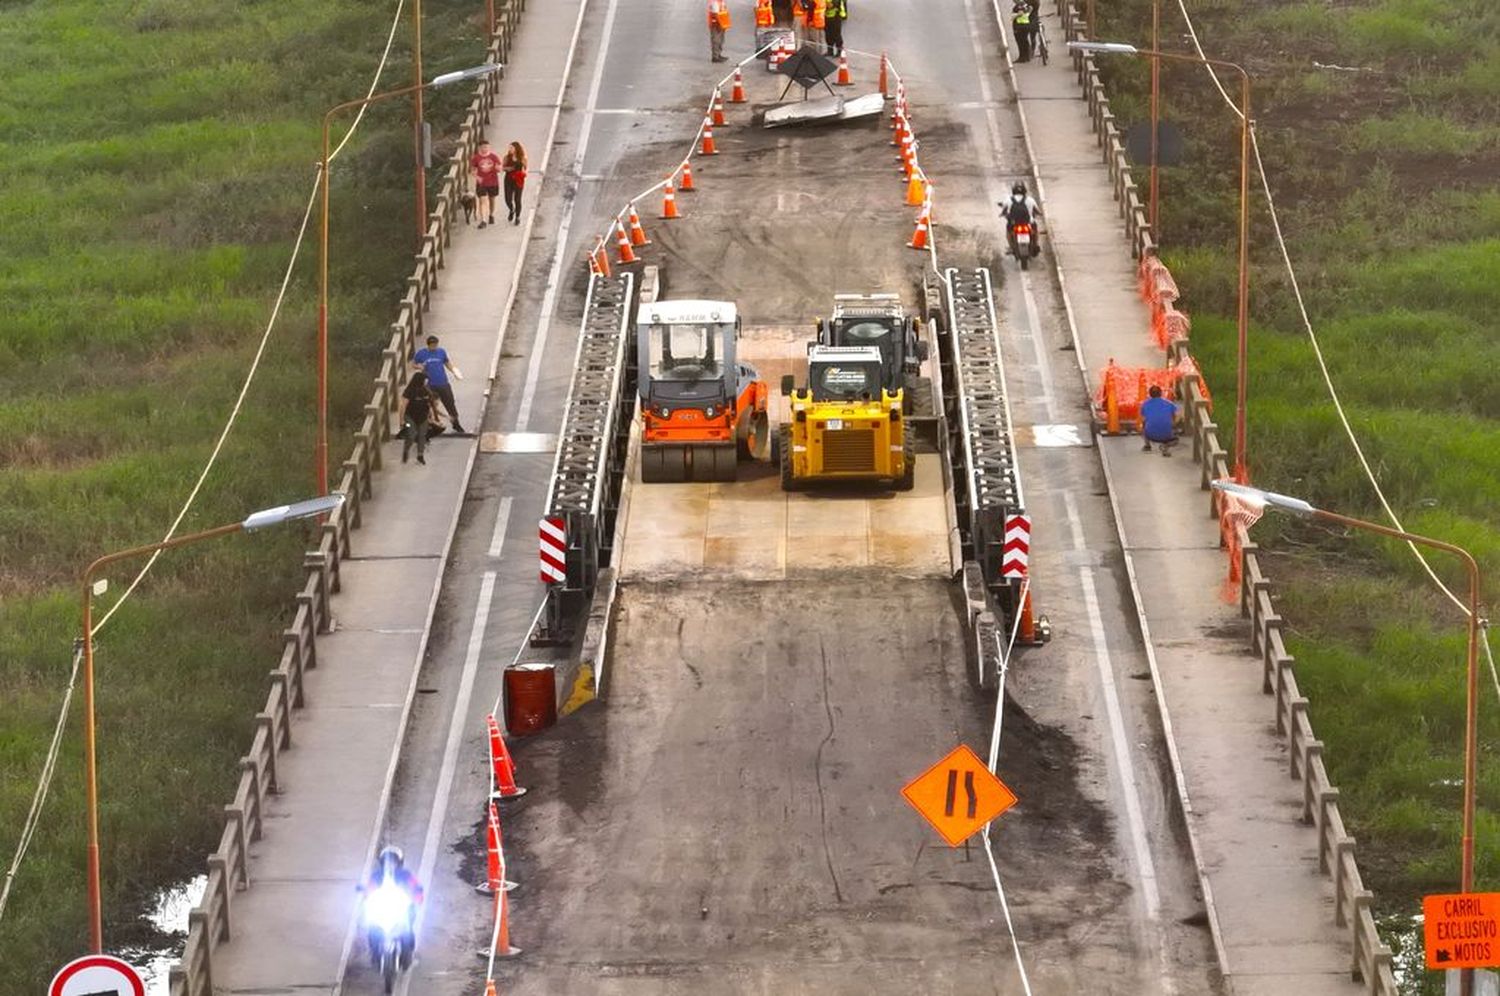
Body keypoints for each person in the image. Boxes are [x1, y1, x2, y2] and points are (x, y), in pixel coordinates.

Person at [360, 845, 424, 970]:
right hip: (381, 909)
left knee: (407, 931)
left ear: (399, 862)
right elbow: (367, 889)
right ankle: (374, 953)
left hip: (401, 908)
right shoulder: (376, 876)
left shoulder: (406, 875)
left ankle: (408, 954)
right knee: (372, 930)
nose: (390, 864)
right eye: (387, 861)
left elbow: (417, 888)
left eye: (393, 861)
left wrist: (417, 898)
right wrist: (366, 899)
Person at [412, 334, 465, 434]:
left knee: (450, 403)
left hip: (443, 382)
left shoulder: (441, 352)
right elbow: (413, 364)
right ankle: (433, 426)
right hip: (430, 384)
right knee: (431, 405)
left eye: (435, 344)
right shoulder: (421, 354)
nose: (434, 346)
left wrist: (454, 371)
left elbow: (447, 362)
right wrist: (419, 367)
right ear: (428, 345)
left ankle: (456, 424)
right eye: (432, 345)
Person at [999, 182, 1041, 257]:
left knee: (1008, 232)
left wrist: (1002, 214)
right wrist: (1039, 214)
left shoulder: (1008, 199)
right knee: (1035, 231)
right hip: (1028, 222)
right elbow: (1037, 211)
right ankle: (1035, 245)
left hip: (1013, 223)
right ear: (1024, 190)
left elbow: (1004, 211)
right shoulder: (1030, 200)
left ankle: (1011, 247)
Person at [401, 371, 433, 465]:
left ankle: (420, 455)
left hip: (423, 417)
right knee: (411, 434)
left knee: (422, 436)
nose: (426, 382)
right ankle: (406, 450)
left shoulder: (426, 391)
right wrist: (401, 420)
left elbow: (429, 404)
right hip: (409, 417)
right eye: (424, 380)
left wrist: (430, 416)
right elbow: (403, 405)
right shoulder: (409, 391)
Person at [470, 139, 502, 228]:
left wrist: (498, 168)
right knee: (482, 200)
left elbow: (499, 168)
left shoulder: (494, 157)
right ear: (479, 148)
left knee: (492, 200)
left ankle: (491, 215)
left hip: (493, 181)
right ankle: (483, 220)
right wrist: (477, 177)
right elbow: (472, 171)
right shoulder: (476, 158)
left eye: (487, 147)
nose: (485, 149)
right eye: (483, 147)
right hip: (481, 183)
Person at [1140, 384, 1179, 455]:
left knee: (1143, 424)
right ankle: (1165, 446)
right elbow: (1177, 416)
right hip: (1166, 436)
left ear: (1150, 394)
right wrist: (1173, 424)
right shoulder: (1169, 403)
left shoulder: (1145, 404)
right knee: (1176, 440)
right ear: (1161, 393)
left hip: (1150, 435)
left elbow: (1143, 419)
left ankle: (1147, 445)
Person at [502, 141, 527, 226]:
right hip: (508, 179)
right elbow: (503, 167)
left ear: (516, 149)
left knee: (517, 199)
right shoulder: (507, 157)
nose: (510, 149)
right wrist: (508, 169)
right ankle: (512, 209)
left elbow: (525, 167)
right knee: (508, 198)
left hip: (518, 179)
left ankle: (517, 217)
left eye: (511, 148)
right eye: (509, 148)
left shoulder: (522, 158)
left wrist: (524, 171)